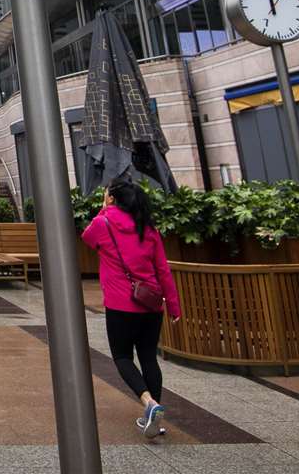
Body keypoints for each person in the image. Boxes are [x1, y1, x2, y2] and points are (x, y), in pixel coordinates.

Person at [81, 180, 181, 439]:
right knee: (148, 357)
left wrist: (104, 210)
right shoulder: (148, 228)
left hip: (120, 305)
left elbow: (87, 237)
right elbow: (163, 270)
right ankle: (154, 419)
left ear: (112, 199)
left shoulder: (104, 223)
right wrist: (173, 305)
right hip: (151, 304)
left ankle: (149, 403)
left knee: (122, 357)